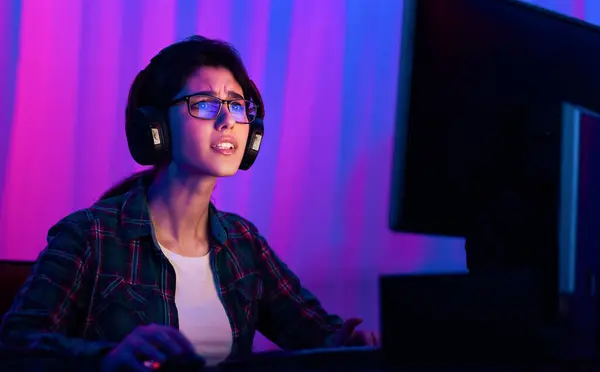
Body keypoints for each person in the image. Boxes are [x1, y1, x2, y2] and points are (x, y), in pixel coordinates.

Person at [0, 35, 378, 370]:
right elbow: (16, 345)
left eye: (236, 105)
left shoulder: (243, 243)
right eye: (205, 104)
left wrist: (349, 344)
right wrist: (107, 358)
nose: (228, 121)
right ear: (157, 129)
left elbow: (317, 335)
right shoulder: (89, 235)